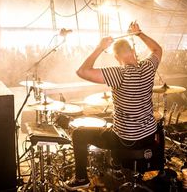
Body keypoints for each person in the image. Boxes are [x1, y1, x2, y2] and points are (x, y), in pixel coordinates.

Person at [63, 21, 163, 190]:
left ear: (117, 58)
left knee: (79, 134)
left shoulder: (118, 74)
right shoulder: (148, 67)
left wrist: (100, 47)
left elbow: (82, 71)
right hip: (148, 136)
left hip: (127, 140)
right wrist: (139, 34)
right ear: (133, 52)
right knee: (114, 127)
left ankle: (82, 178)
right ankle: (119, 165)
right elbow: (157, 50)